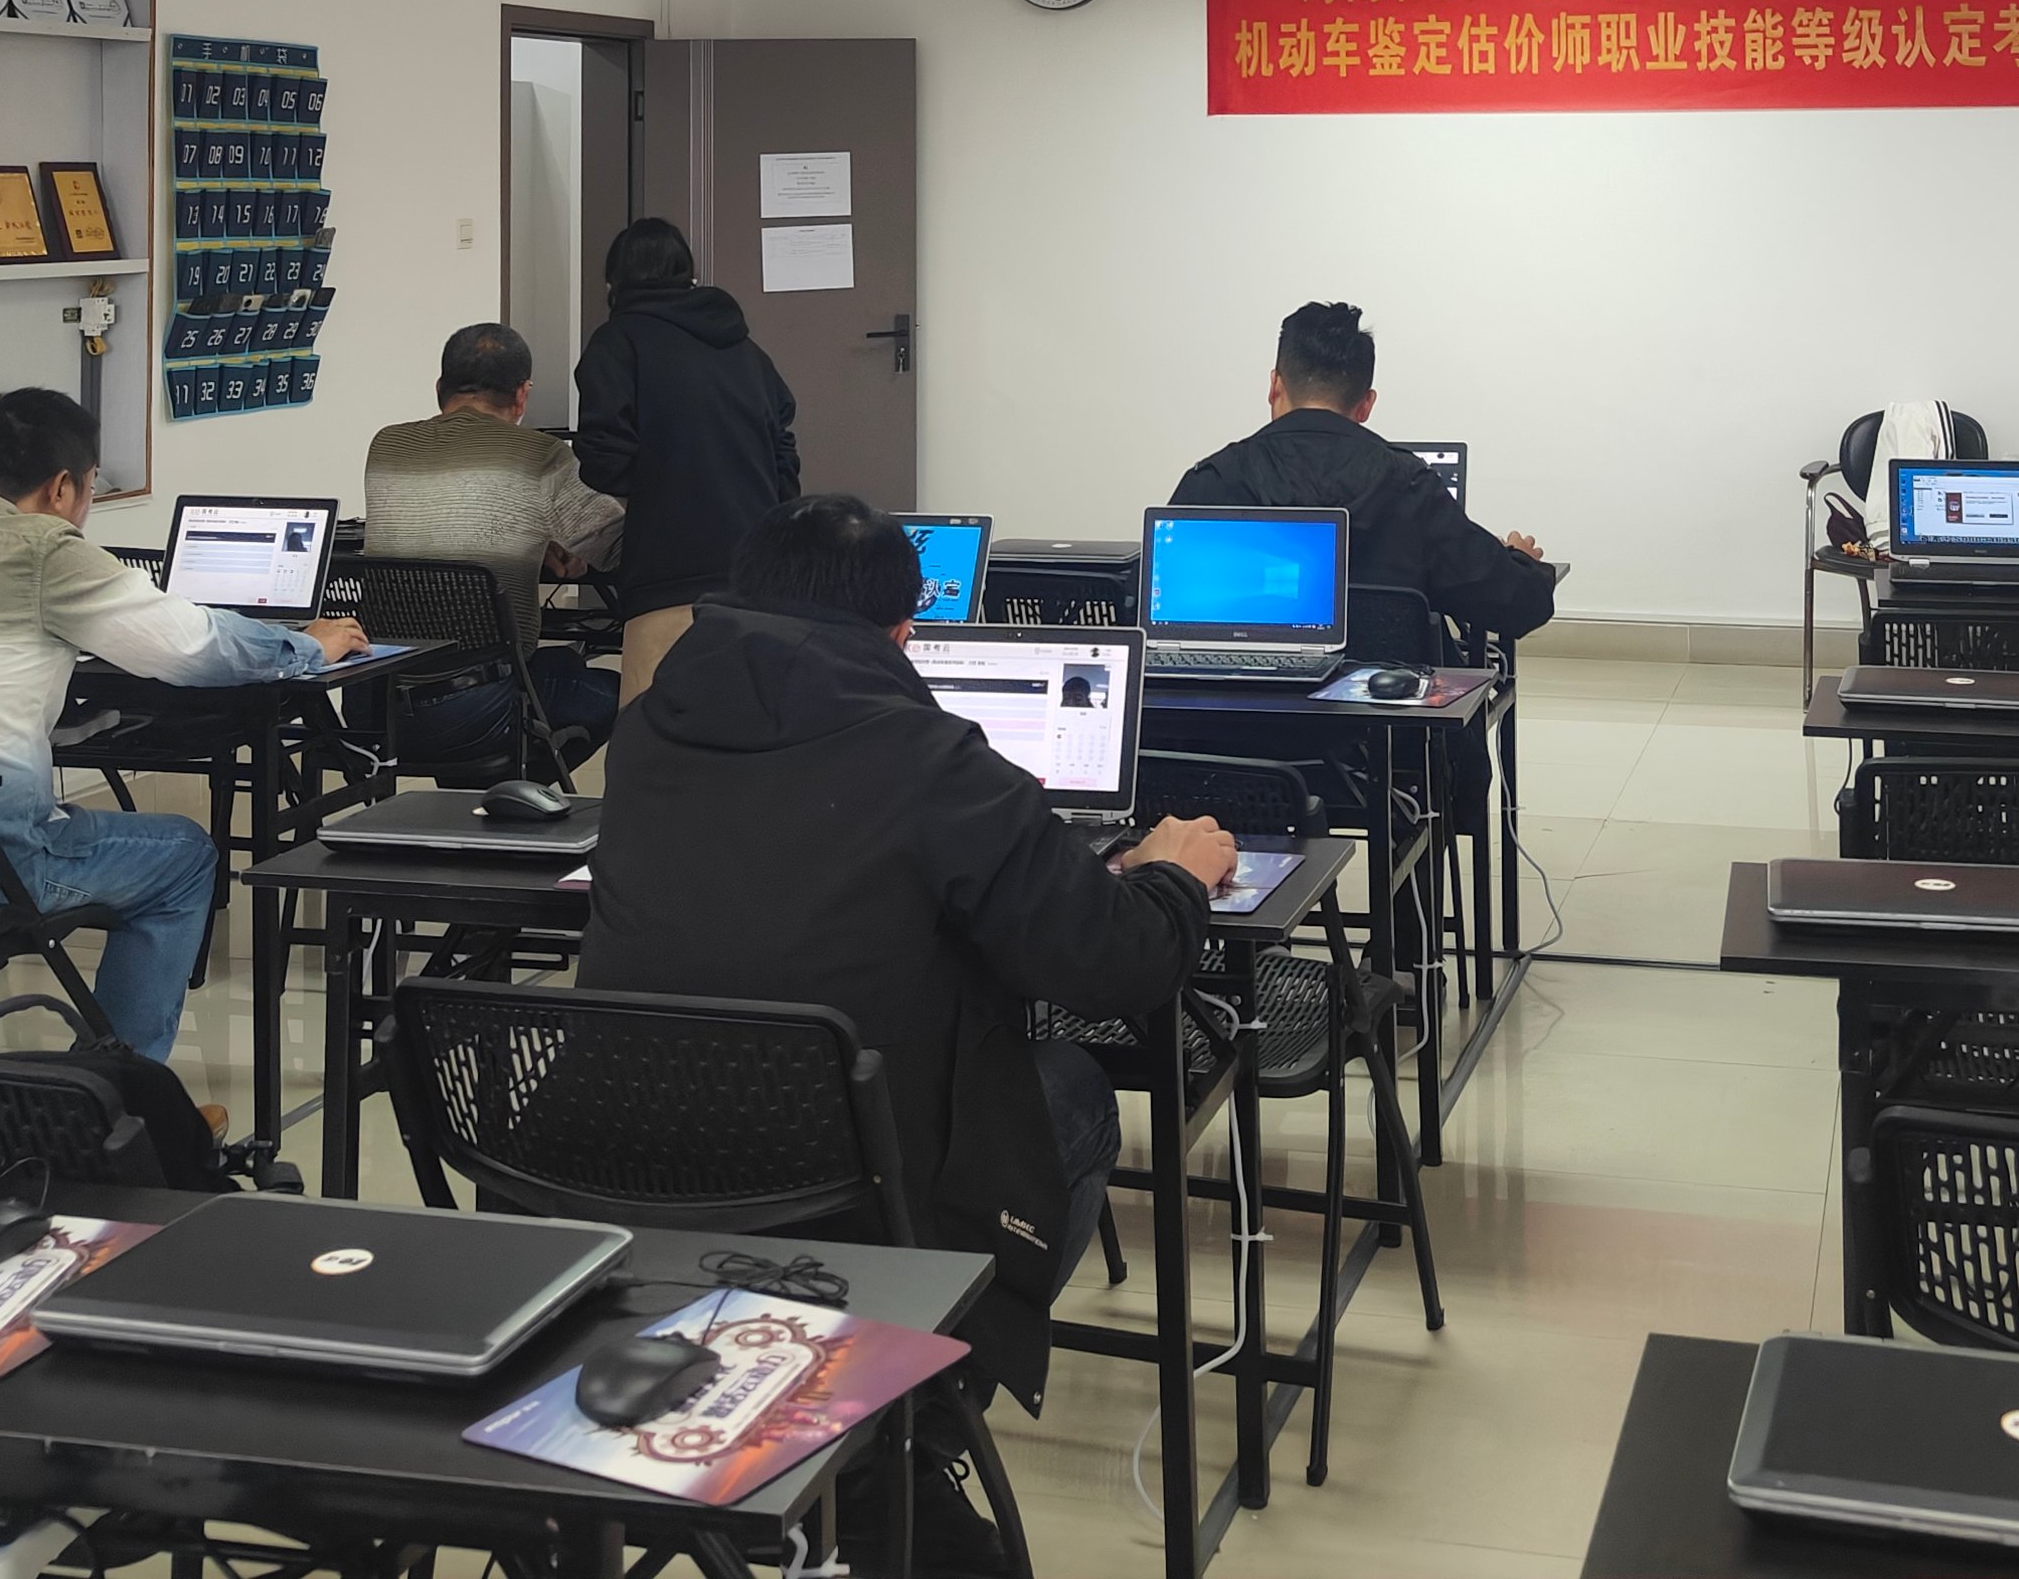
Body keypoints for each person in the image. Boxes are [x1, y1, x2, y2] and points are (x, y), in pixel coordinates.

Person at [583, 494, 1230, 1569]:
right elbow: (1116, 964)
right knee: (1072, 1093)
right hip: (852, 1186)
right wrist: (1173, 876)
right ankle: (924, 1406)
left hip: (620, 1170)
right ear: (902, 632)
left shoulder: (647, 729)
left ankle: (882, 1419)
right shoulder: (934, 759)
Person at [0, 387, 366, 1060]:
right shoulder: (44, 549)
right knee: (185, 856)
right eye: (90, 488)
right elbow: (194, 646)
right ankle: (116, 1089)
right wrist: (305, 645)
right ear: (62, 488)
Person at [1168, 300, 1559, 645]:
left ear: (1274, 386)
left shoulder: (1213, 480)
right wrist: (1520, 564)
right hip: (1388, 705)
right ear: (1366, 405)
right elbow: (1521, 608)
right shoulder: (1410, 485)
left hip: (1240, 706)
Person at [363, 320, 626, 759]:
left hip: (373, 707)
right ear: (522, 394)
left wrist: (531, 533)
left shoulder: (387, 445)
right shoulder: (539, 454)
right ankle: (515, 790)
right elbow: (619, 551)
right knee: (621, 692)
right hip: (477, 708)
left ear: (439, 389)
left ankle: (485, 787)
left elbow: (448, 517)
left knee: (561, 663)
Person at [569, 217, 799, 704]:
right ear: (689, 276)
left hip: (666, 576)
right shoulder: (747, 351)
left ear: (614, 283)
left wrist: (658, 489)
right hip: (756, 576)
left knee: (654, 731)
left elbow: (603, 456)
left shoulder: (618, 341)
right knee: (749, 723)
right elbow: (784, 456)